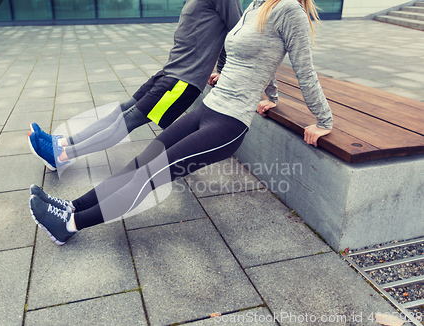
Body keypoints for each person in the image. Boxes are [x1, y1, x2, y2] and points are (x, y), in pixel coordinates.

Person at [29, 0, 334, 245]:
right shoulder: (258, 6)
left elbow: (304, 69)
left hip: (228, 125)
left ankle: (69, 225)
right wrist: (273, 95)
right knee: (138, 164)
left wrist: (323, 120)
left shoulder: (291, 11)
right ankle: (72, 206)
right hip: (208, 108)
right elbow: (263, 57)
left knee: (148, 177)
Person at [28, 0, 243, 171]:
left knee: (128, 120)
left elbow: (235, 33)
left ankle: (61, 157)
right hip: (168, 72)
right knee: (122, 109)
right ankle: (64, 143)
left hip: (183, 81)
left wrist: (223, 70)